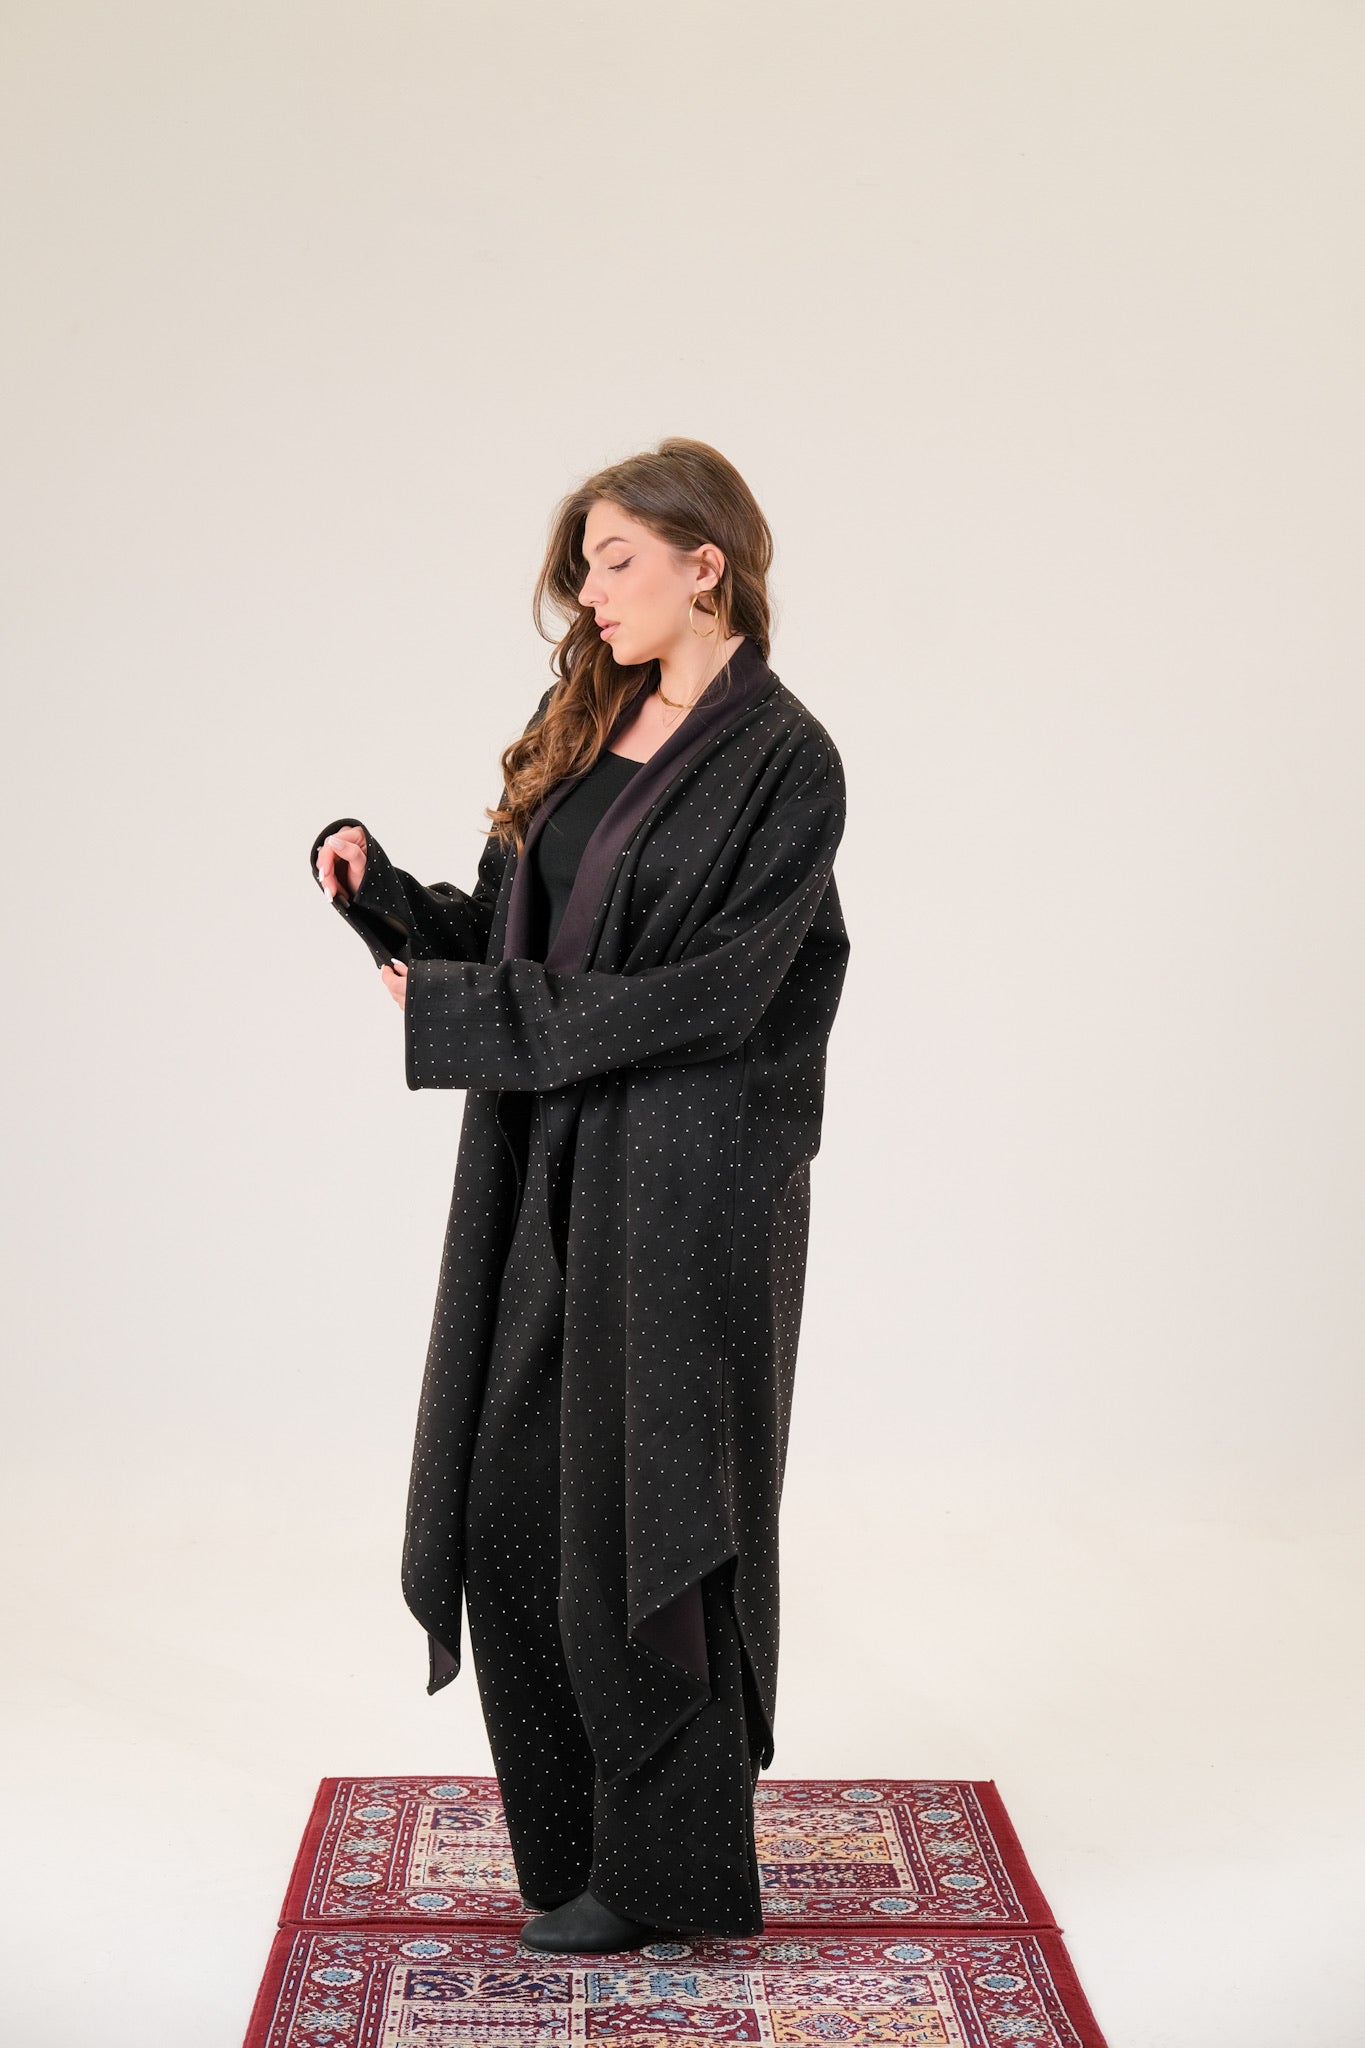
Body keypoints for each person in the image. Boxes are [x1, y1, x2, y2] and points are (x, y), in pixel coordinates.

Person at [308, 436, 851, 1953]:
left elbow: (717, 995)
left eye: (616, 562)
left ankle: (668, 1876)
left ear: (705, 564)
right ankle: (568, 1848)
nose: (590, 593)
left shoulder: (788, 762)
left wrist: (481, 1016)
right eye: (584, 566)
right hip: (550, 1155)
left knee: (652, 1526)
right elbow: (518, 934)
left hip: (686, 1183)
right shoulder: (588, 717)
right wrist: (387, 904)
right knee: (506, 1504)